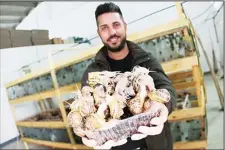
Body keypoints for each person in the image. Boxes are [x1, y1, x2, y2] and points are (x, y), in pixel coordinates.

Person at [80, 2, 176, 150]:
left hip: (153, 144)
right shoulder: (93, 72)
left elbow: (167, 88)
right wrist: (85, 129)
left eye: (116, 24)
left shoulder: (146, 60)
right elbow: (84, 107)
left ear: (125, 25)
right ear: (99, 32)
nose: (112, 32)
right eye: (104, 28)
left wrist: (163, 106)